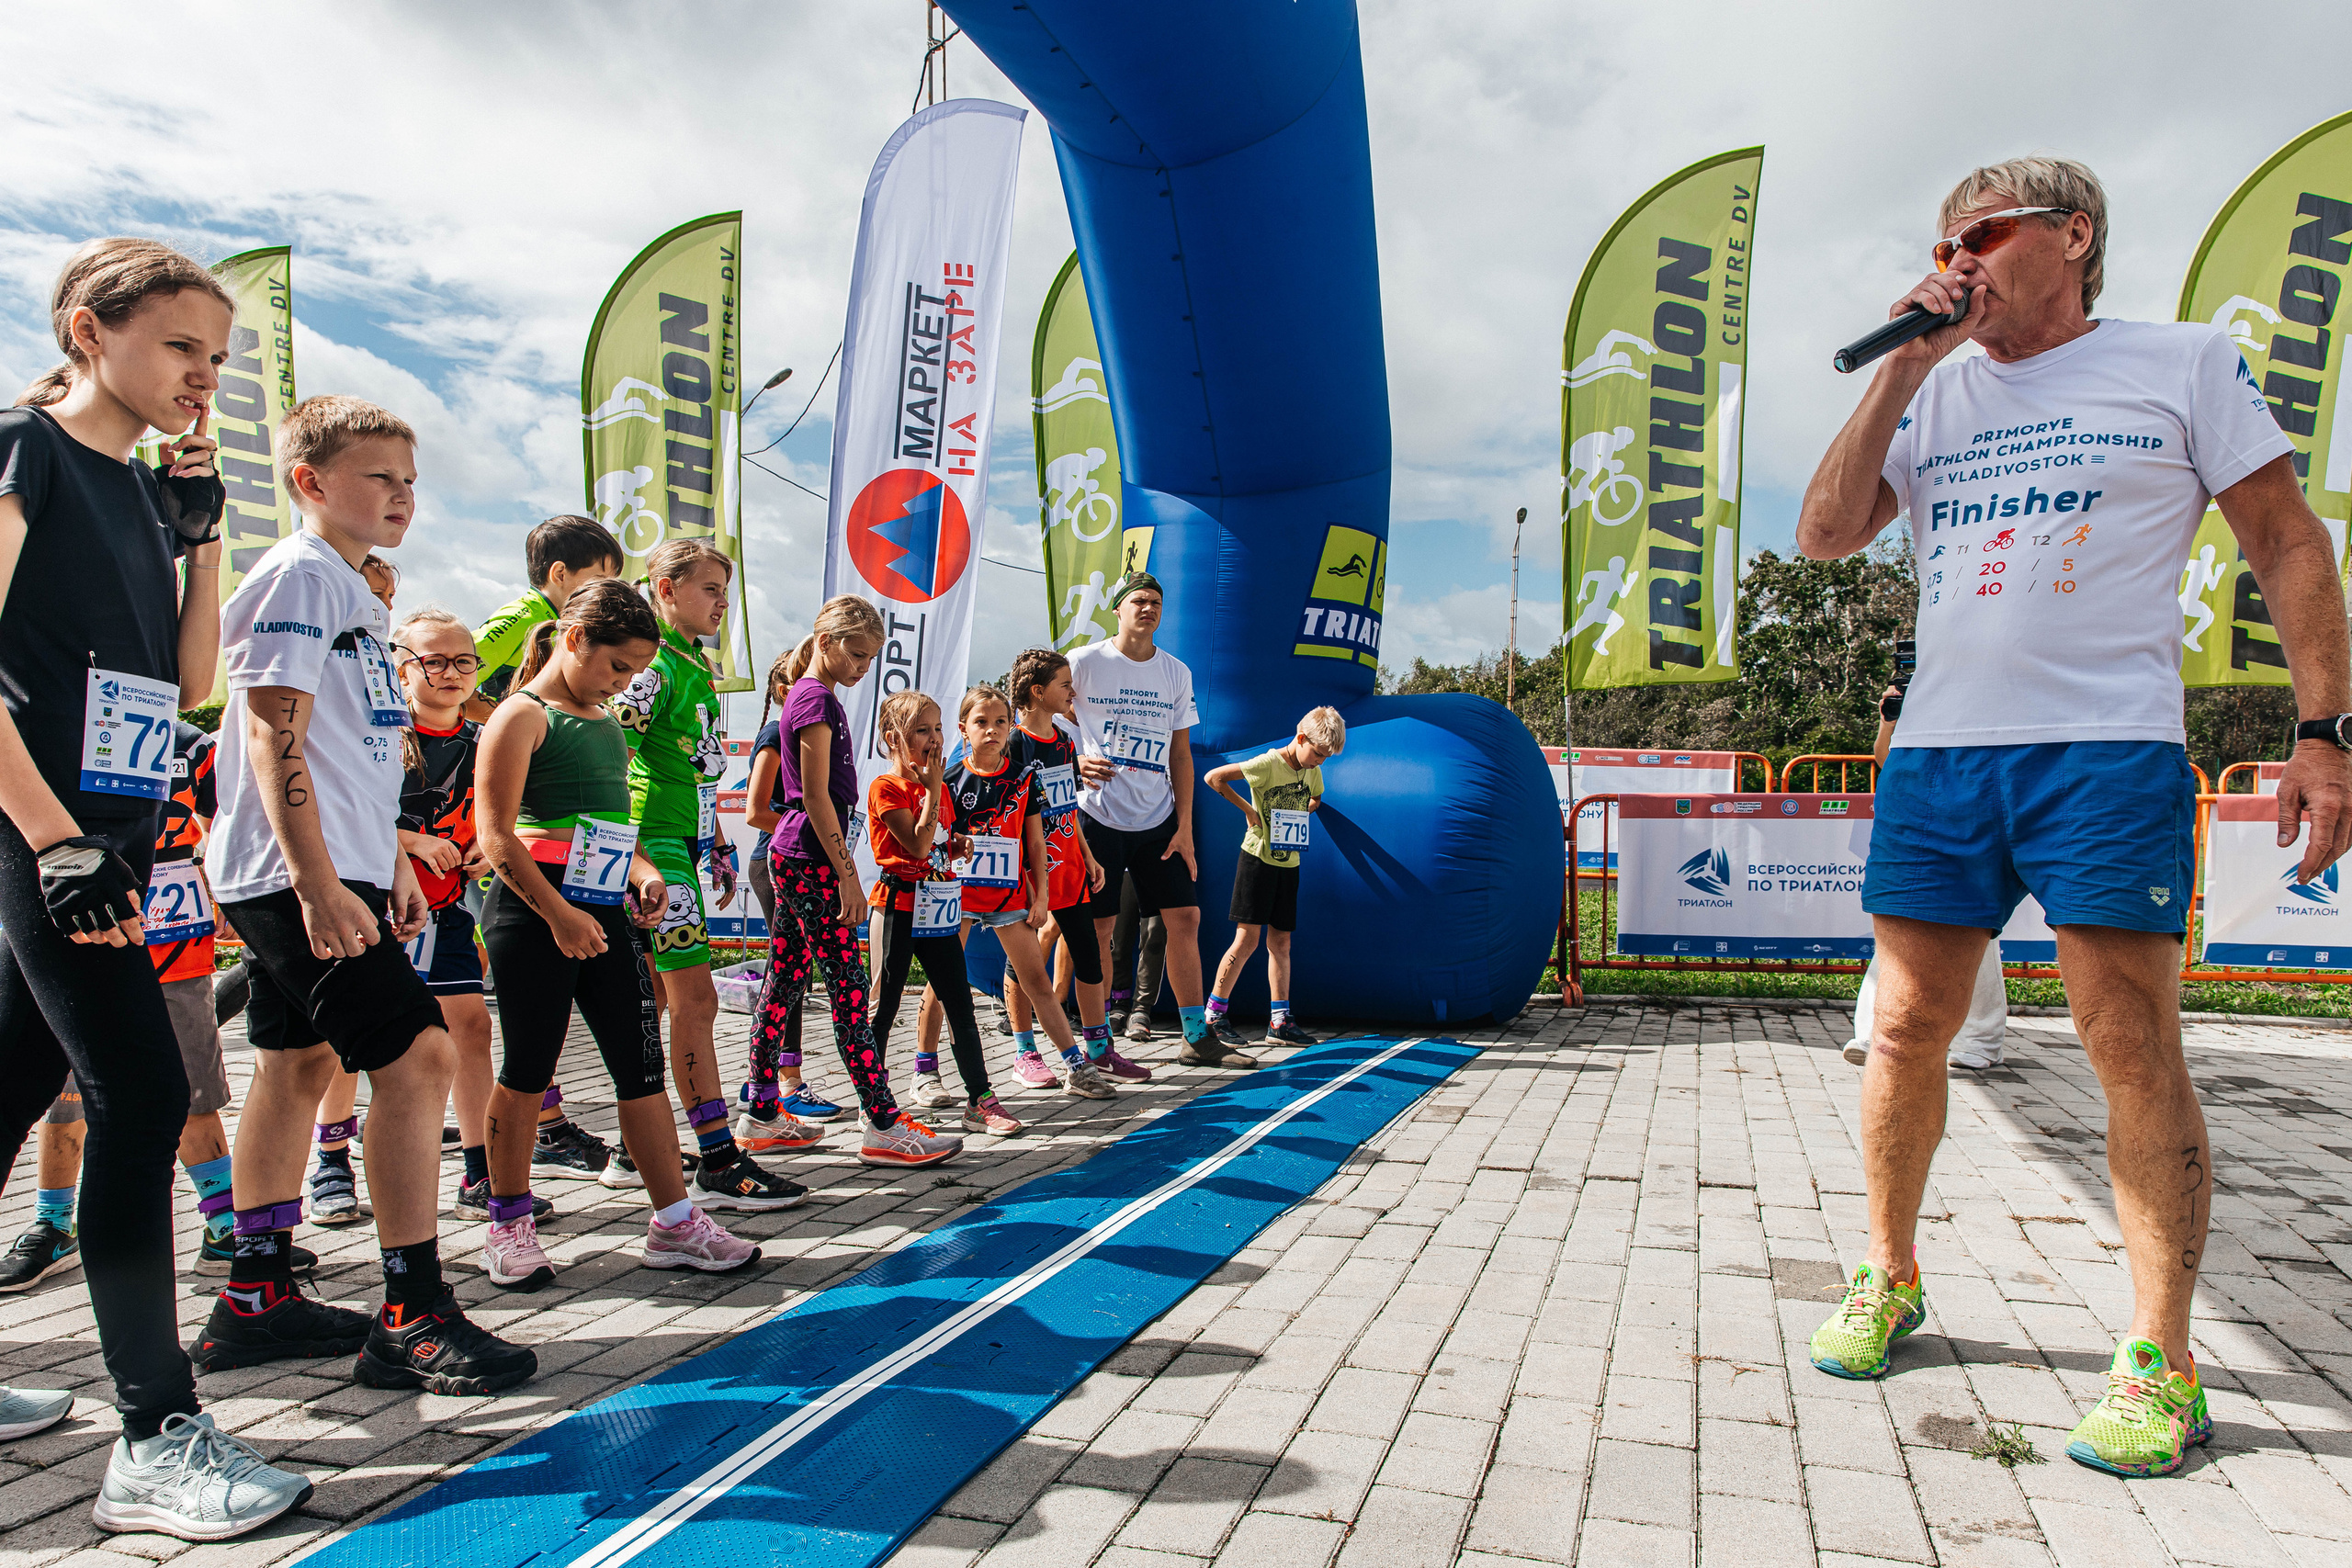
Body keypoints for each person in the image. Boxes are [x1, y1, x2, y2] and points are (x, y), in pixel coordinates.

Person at [1794, 157, 2352, 1478]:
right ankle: (1890, 1274)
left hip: (2104, 751)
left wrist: (2325, 730)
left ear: (2073, 236)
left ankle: (2161, 1357)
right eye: (1942, 238)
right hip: (1941, 752)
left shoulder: (2180, 361)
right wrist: (1900, 369)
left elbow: (2286, 540)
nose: (1956, 253)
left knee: (2127, 1039)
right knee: (1908, 1024)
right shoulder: (1935, 390)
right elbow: (1823, 534)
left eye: (1981, 232)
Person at [0, 236, 313, 1539]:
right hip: (42, 831)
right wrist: (55, 839)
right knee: (138, 1094)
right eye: (183, 346)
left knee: (14, 1082)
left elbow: (187, 681)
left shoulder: (139, 488)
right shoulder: (21, 451)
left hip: (117, 829)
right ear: (91, 330)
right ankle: (152, 1432)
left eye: (219, 357)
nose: (206, 376)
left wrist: (197, 536)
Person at [199, 393, 535, 1397]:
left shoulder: (354, 590)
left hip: (334, 860)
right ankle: (413, 1311)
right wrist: (313, 879)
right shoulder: (302, 575)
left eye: (411, 480)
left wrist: (381, 856)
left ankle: (256, 1295)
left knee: (294, 1067)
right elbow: (271, 732)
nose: (403, 496)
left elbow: (354, 750)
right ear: (309, 481)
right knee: (420, 1052)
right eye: (380, 476)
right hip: (291, 870)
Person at [473, 581, 769, 1289]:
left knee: (639, 1070)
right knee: (527, 1069)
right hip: (532, 914)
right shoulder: (521, 716)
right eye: (617, 667)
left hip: (604, 913)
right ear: (573, 638)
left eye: (635, 672)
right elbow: (496, 836)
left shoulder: (605, 720)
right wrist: (557, 913)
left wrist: (640, 873)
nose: (626, 683)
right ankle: (507, 1222)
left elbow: (612, 827)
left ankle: (674, 1221)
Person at [0, 719, 320, 1288]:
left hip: (175, 947)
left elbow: (234, 811)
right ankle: (52, 1225)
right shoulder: (49, 726)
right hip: (74, 936)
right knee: (65, 1095)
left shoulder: (190, 742)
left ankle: (223, 1224)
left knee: (191, 1087)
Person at [602, 539, 797, 1207]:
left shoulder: (692, 661)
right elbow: (612, 748)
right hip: (652, 845)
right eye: (709, 588)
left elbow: (691, 763)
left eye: (724, 589)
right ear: (664, 588)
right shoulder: (652, 660)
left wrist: (711, 836)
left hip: (679, 841)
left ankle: (637, 1151)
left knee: (661, 1002)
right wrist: (639, 854)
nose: (721, 602)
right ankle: (717, 1156)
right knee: (696, 1001)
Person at [750, 594, 962, 1166]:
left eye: (871, 657)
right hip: (810, 859)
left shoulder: (815, 696)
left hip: (800, 857)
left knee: (786, 977)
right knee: (846, 991)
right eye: (857, 654)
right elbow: (815, 796)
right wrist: (847, 876)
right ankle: (883, 1124)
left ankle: (762, 1109)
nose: (864, 667)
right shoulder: (815, 698)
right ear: (826, 642)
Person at [1069, 572, 1239, 1066]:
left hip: (1158, 819)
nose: (1148, 609)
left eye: (1156, 602)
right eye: (1138, 601)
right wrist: (1076, 763)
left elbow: (1182, 755)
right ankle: (1099, 1044)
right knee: (1099, 929)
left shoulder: (1175, 672)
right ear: (1117, 609)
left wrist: (1184, 826)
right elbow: (1040, 726)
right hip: (1096, 817)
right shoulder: (1084, 663)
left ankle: (1196, 1036)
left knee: (1185, 918)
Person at [866, 690, 1023, 1134]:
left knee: (959, 1001)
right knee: (884, 1006)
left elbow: (936, 843)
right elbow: (913, 843)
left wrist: (958, 845)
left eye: (937, 729)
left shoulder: (938, 788)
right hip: (897, 907)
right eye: (922, 730)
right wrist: (933, 789)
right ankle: (872, 1098)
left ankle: (981, 1098)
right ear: (893, 737)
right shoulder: (887, 787)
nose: (933, 740)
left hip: (939, 907)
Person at [946, 685, 1104, 1098]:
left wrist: (1045, 890)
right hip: (961, 898)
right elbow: (937, 837)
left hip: (1015, 892)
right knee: (942, 982)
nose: (993, 730)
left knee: (1041, 973)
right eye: (982, 722)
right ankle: (926, 1070)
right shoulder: (954, 777)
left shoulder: (1034, 768)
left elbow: (1041, 835)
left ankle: (1079, 1063)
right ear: (963, 728)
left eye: (999, 722)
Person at [1842, 682, 2007, 1072]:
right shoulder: (1924, 696)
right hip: (1920, 821)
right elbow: (1885, 758)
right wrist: (1890, 720)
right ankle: (1871, 1034)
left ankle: (1982, 1040)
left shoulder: (1985, 695)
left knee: (1976, 935)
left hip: (1979, 819)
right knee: (1900, 933)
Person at [1003, 647, 1143, 1087]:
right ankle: (1025, 1052)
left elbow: (1067, 807)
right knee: (1023, 964)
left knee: (1090, 958)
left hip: (1070, 867)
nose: (1073, 691)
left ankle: (1100, 1050)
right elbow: (1011, 811)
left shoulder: (1064, 742)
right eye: (1065, 685)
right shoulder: (1014, 742)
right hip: (1030, 872)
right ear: (1037, 691)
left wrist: (1087, 854)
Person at [1204, 705, 1345, 1050]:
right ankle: (1213, 1016)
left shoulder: (1311, 770)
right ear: (1300, 738)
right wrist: (1249, 811)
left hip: (1289, 863)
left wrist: (1301, 812)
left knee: (1281, 943)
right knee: (1247, 939)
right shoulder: (1267, 764)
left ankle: (1279, 1021)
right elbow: (1214, 778)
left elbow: (1316, 798)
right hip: (1256, 860)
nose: (1320, 762)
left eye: (1327, 757)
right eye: (1318, 753)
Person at [733, 650, 826, 1150]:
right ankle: (775, 1087)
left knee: (792, 971)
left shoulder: (804, 730)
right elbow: (753, 811)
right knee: (787, 972)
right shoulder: (776, 733)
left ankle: (779, 1084)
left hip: (795, 862)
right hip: (777, 862)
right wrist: (808, 833)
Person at [466, 514, 624, 722]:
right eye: (601, 580)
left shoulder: (570, 625)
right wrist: (517, 724)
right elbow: (450, 684)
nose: (607, 592)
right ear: (560, 574)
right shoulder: (521, 616)